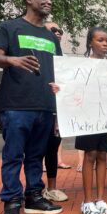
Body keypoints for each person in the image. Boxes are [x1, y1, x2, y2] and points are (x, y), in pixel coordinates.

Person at [0, 0, 63, 214]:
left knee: (36, 156)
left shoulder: (52, 37)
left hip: (45, 105)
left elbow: (61, 70)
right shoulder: (9, 27)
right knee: (13, 155)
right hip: (16, 104)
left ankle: (34, 195)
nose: (48, 0)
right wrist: (12, 60)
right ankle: (12, 201)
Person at [51, 27, 107, 214]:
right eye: (100, 40)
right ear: (90, 42)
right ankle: (87, 201)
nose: (105, 44)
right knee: (90, 155)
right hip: (87, 118)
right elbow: (70, 87)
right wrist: (59, 89)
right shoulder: (80, 65)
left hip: (106, 117)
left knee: (103, 155)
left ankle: (100, 199)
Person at [41, 21, 69, 203]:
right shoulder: (36, 54)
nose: (57, 33)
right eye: (53, 30)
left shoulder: (64, 59)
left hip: (56, 112)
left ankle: (51, 188)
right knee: (33, 152)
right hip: (36, 108)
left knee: (52, 149)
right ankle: (33, 189)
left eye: (60, 30)